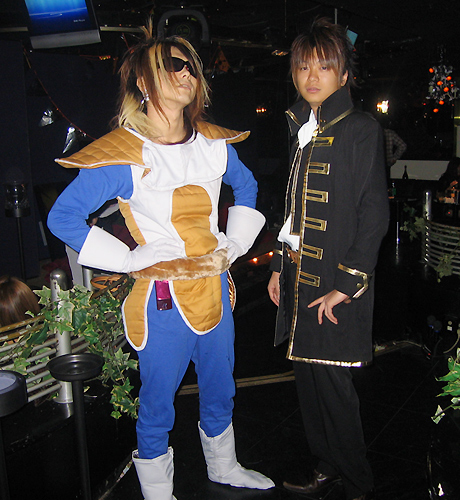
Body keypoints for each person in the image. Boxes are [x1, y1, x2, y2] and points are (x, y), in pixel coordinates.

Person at [48, 26, 273, 500]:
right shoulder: (126, 153)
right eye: (172, 65)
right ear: (143, 83)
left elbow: (247, 185)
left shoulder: (212, 143)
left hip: (215, 289)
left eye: (190, 66)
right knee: (157, 401)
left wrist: (234, 244)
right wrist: (128, 258)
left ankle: (224, 466)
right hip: (163, 300)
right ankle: (156, 491)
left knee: (221, 386)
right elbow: (62, 216)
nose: (186, 73)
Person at [267, 18, 389, 500]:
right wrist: (279, 265)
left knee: (336, 390)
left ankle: (358, 481)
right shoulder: (303, 129)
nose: (312, 76)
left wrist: (347, 283)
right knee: (310, 382)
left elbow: (374, 214)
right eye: (303, 67)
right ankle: (326, 465)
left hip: (336, 281)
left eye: (323, 66)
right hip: (300, 278)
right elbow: (292, 210)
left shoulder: (360, 128)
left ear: (344, 75)